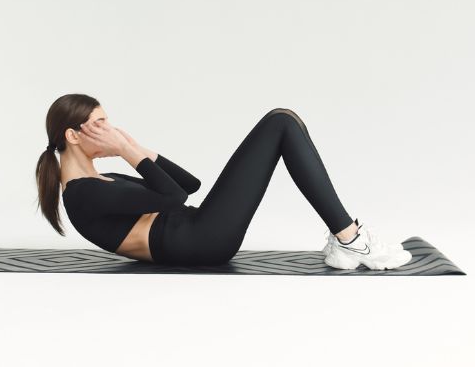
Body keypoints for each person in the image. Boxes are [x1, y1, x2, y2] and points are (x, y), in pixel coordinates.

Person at [35, 93, 411, 270]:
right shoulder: (82, 195)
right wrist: (127, 151)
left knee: (284, 118)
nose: (110, 130)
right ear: (73, 136)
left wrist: (131, 145)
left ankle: (346, 239)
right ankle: (351, 240)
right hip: (202, 240)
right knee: (279, 123)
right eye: (100, 125)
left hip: (199, 229)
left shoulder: (101, 178)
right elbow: (171, 197)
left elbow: (190, 184)